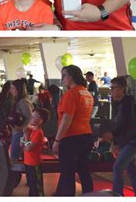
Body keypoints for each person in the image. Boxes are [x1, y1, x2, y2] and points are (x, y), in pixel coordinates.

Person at [53, 65, 94, 196]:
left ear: (72, 76)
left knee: (67, 172)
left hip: (71, 137)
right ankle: (89, 195)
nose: (62, 79)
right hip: (86, 136)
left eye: (64, 75)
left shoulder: (71, 94)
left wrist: (57, 139)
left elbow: (66, 119)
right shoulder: (87, 93)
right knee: (83, 170)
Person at [107, 76, 136, 196]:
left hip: (133, 140)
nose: (111, 90)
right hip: (126, 141)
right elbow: (117, 124)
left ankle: (117, 195)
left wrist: (113, 135)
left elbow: (126, 123)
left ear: (122, 88)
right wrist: (115, 142)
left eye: (113, 88)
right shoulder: (118, 104)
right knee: (131, 171)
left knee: (118, 167)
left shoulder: (129, 103)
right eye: (110, 88)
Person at [22, 107, 50, 196]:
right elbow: (22, 145)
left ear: (40, 121)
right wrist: (25, 134)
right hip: (28, 162)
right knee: (31, 185)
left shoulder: (38, 133)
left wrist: (26, 135)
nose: (31, 118)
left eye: (34, 117)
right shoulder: (32, 130)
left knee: (36, 186)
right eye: (32, 116)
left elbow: (28, 148)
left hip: (34, 163)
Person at [8, 79, 33, 161]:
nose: (11, 91)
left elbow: (29, 118)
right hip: (16, 131)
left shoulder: (24, 102)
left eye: (13, 88)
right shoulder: (18, 101)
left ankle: (16, 173)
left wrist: (22, 128)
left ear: (19, 89)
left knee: (14, 157)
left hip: (20, 133)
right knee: (15, 155)